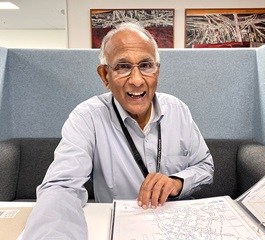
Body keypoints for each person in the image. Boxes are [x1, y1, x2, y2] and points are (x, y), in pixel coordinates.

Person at [22, 21, 214, 239]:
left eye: (146, 65)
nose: (136, 80)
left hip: (180, 226)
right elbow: (62, 187)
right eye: (123, 67)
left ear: (157, 71)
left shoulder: (178, 110)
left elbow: (205, 166)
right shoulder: (87, 118)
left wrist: (177, 181)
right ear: (105, 76)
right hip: (121, 229)